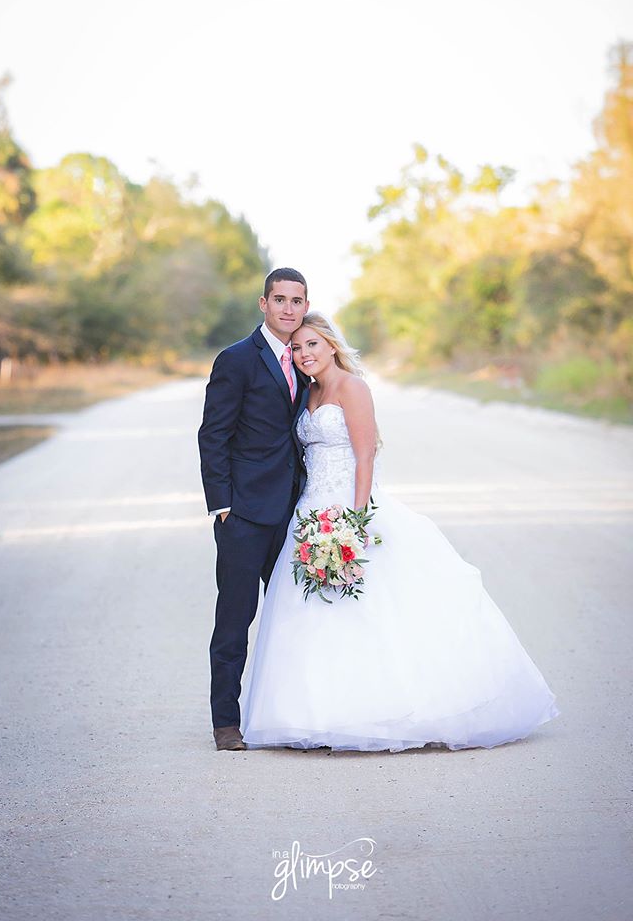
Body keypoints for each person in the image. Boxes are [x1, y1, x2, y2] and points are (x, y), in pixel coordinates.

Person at [239, 312, 561, 752]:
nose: (303, 354)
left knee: (372, 608)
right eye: (295, 348)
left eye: (312, 344)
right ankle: (315, 713)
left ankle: (381, 711)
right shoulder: (307, 393)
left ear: (331, 345)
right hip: (309, 511)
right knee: (311, 610)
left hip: (352, 509)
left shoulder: (353, 388)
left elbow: (366, 455)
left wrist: (354, 521)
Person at [197, 268, 312, 751]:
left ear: (306, 306)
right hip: (243, 514)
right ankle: (226, 722)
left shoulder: (310, 358)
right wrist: (222, 505)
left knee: (298, 618)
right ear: (263, 304)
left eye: (297, 300)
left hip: (294, 512)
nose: (288, 308)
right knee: (235, 620)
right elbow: (213, 434)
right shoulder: (237, 359)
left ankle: (299, 717)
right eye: (279, 299)